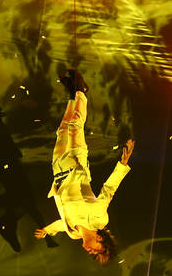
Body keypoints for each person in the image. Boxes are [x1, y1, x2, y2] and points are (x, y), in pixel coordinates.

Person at [34, 69, 134, 264]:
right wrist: (122, 164)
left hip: (59, 170)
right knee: (75, 126)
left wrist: (47, 230)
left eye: (93, 256)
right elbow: (108, 191)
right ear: (101, 239)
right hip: (76, 164)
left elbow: (61, 224)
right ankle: (81, 91)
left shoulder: (73, 233)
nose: (90, 252)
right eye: (97, 251)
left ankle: (73, 93)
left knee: (63, 128)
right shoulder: (98, 219)